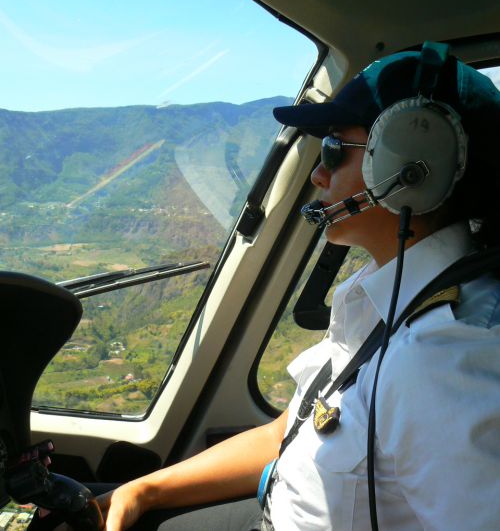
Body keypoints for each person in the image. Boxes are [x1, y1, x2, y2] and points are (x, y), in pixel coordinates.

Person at [37, 45, 500, 531]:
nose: (318, 173)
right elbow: (294, 430)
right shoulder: (383, 293)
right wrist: (143, 490)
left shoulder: (448, 361)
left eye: (334, 149)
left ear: (415, 169)